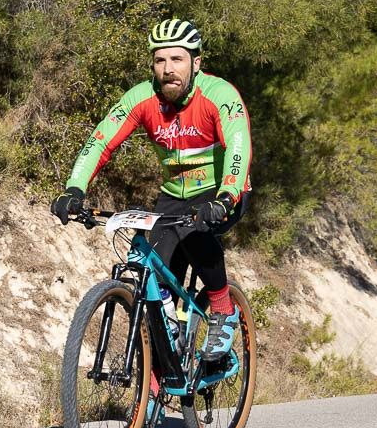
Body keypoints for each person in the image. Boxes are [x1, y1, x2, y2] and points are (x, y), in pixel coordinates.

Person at [50, 20, 252, 361]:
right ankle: (160, 373)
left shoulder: (220, 96)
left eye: (177, 59)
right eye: (160, 61)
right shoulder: (142, 97)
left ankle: (222, 308)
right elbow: (100, 141)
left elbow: (237, 144)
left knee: (195, 233)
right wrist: (74, 188)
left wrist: (227, 194)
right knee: (152, 268)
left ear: (196, 63)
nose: (168, 69)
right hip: (174, 194)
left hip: (221, 191)